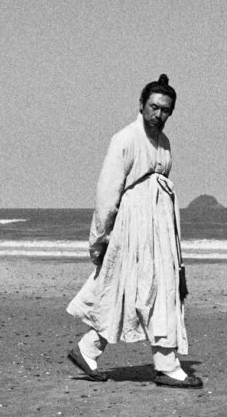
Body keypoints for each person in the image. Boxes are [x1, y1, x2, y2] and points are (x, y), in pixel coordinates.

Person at [66, 74, 202, 389]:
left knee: (133, 291)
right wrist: (100, 239)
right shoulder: (125, 139)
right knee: (150, 290)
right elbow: (107, 192)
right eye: (154, 107)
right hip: (132, 228)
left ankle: (87, 350)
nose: (159, 114)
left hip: (159, 229)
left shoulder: (164, 143)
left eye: (165, 110)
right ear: (141, 105)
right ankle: (167, 365)